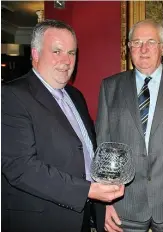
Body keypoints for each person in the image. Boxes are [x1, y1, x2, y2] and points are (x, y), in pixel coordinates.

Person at [1, 19, 124, 232]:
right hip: (40, 221)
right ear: (36, 54)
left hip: (82, 216)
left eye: (72, 52)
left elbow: (87, 154)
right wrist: (87, 191)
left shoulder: (75, 96)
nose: (66, 60)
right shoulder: (11, 95)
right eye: (57, 51)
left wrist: (103, 204)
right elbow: (20, 168)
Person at [96, 19, 163, 232]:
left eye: (151, 42)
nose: (143, 49)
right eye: (136, 42)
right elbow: (103, 148)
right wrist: (105, 203)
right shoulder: (110, 87)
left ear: (162, 48)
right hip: (124, 206)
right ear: (129, 48)